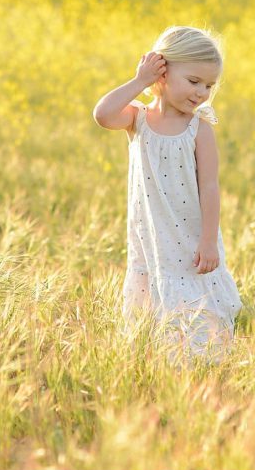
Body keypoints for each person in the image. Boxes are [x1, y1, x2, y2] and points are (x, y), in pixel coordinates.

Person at [92, 25, 243, 367]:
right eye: (194, 81)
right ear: (162, 71)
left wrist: (208, 242)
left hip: (190, 238)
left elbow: (210, 187)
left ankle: (201, 367)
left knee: (195, 311)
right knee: (152, 310)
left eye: (209, 85)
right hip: (152, 236)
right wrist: (139, 81)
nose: (202, 92)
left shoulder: (199, 128)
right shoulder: (137, 119)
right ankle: (157, 364)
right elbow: (102, 115)